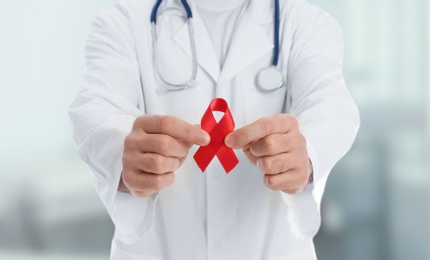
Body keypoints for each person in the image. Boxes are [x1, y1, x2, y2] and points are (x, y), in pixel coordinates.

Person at [69, 0, 360, 259]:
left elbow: (332, 107)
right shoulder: (121, 23)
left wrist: (305, 153)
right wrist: (123, 148)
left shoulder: (307, 23)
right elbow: (94, 109)